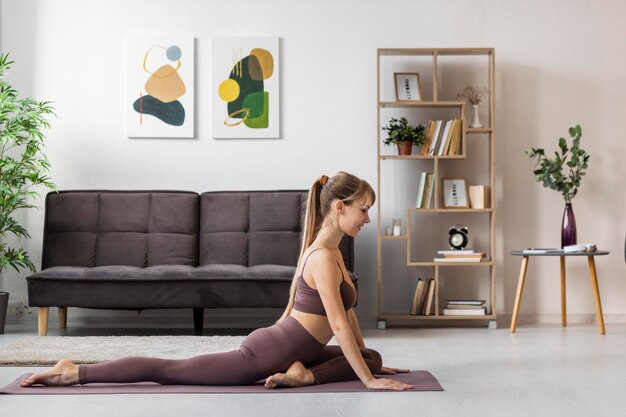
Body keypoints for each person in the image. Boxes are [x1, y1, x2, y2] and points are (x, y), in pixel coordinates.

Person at [21, 172, 413, 391]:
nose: (367, 217)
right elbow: (339, 325)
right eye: (363, 210)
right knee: (169, 371)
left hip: (296, 347)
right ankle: (75, 371)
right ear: (340, 207)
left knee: (375, 359)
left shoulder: (333, 255)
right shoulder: (324, 258)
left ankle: (304, 372)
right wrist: (368, 383)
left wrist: (366, 362)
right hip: (264, 352)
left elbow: (347, 315)